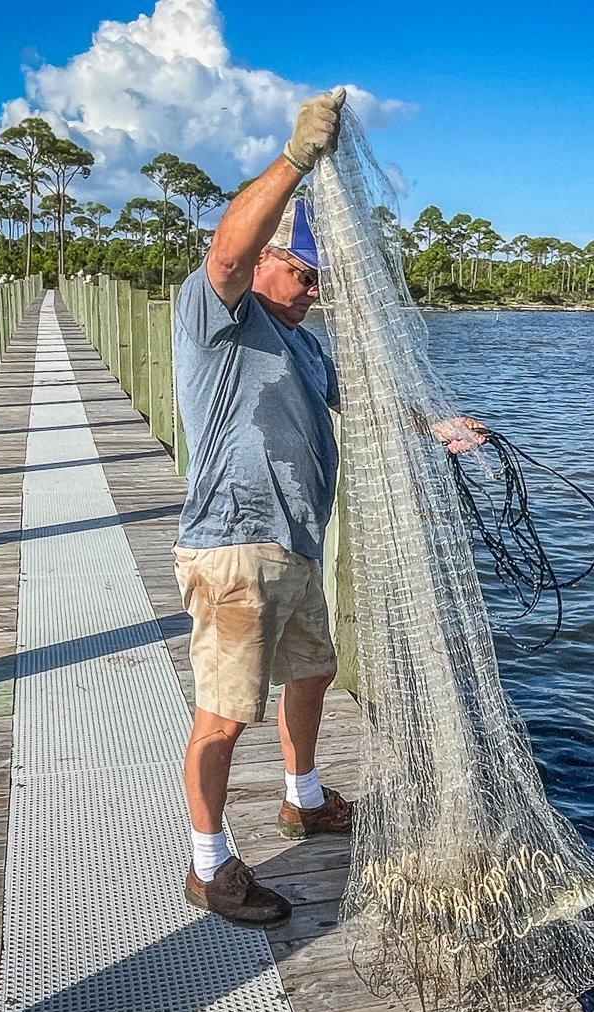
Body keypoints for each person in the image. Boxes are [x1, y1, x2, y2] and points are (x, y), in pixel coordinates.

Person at [172, 87, 485, 928]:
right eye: (303, 274)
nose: (314, 291)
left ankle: (303, 798)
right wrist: (296, 159)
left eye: (322, 281)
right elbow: (227, 251)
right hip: (234, 547)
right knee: (223, 715)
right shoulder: (218, 320)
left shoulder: (304, 345)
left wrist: (438, 424)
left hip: (297, 546)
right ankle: (208, 864)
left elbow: (371, 400)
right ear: (269, 262)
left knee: (313, 672)